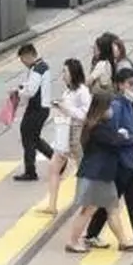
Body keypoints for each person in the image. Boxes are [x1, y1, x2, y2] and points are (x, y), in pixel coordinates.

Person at [64, 91, 133, 253]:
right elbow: (114, 141)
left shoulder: (98, 125)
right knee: (89, 210)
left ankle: (124, 241)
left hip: (102, 175)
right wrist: (132, 138)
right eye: (110, 107)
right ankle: (72, 242)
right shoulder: (96, 127)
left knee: (112, 208)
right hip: (96, 175)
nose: (112, 111)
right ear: (102, 109)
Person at [40, 59, 91, 215]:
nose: (63, 75)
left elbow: (84, 115)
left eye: (65, 72)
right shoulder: (68, 91)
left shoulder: (82, 91)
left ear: (73, 73)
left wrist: (65, 108)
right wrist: (60, 107)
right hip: (64, 134)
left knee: (83, 170)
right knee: (53, 168)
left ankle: (89, 202)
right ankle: (52, 204)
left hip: (76, 135)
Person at [13, 43, 54, 181]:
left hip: (37, 109)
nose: (23, 63)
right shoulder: (42, 66)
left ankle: (31, 171)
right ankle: (56, 160)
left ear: (29, 55)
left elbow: (31, 91)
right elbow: (32, 86)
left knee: (28, 136)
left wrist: (19, 92)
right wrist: (22, 87)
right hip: (42, 108)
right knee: (33, 138)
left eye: (23, 59)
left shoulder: (37, 69)